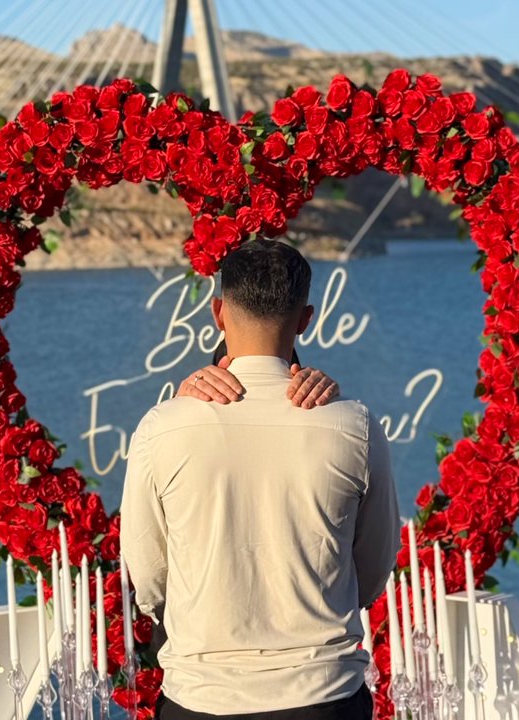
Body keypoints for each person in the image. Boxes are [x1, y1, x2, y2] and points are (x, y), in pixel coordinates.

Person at [121, 238, 401, 720]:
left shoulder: (163, 426)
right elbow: (374, 566)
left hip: (202, 696)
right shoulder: (353, 425)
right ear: (306, 319)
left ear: (218, 313)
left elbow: (148, 576)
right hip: (324, 695)